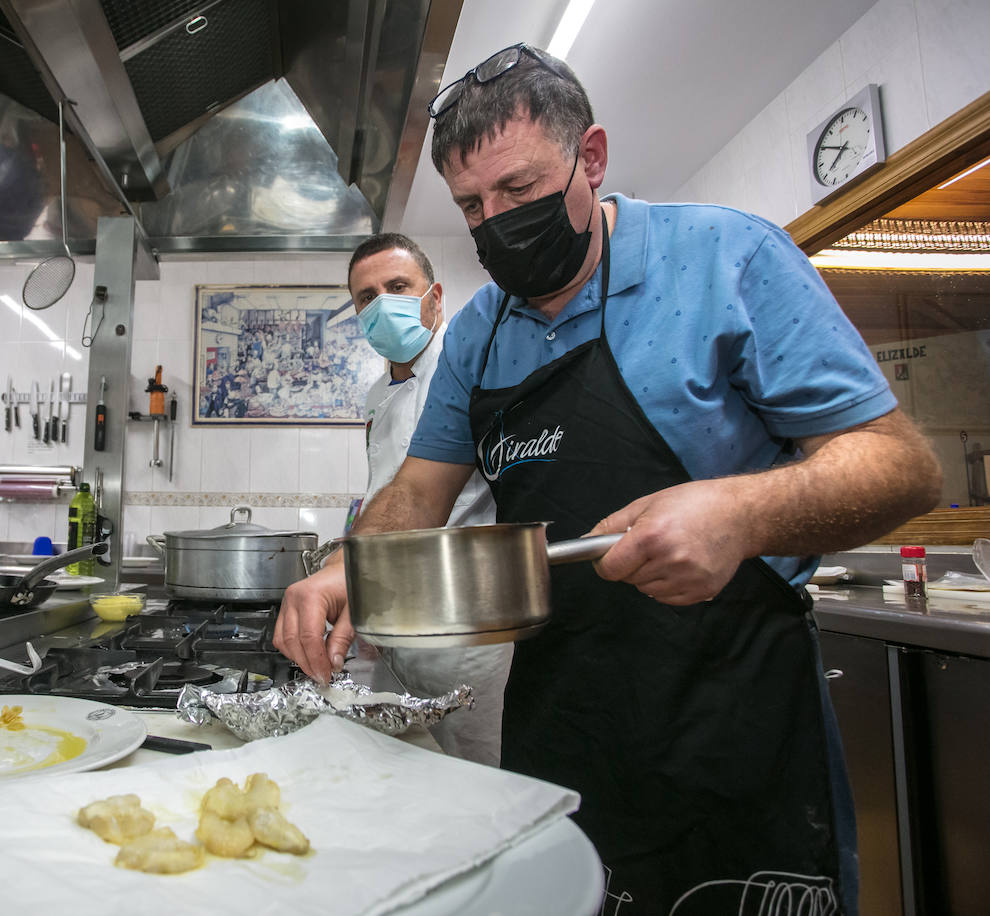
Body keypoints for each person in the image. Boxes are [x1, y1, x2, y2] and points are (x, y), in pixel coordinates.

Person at [274, 44, 941, 913]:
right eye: (472, 206)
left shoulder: (724, 260)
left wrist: (740, 511)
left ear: (590, 157)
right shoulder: (480, 332)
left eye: (518, 191)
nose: (496, 221)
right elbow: (416, 494)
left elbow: (901, 465)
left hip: (729, 710)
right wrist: (346, 568)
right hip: (562, 711)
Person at [348, 232, 511, 767]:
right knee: (397, 769)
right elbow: (386, 489)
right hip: (396, 627)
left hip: (466, 631)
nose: (382, 305)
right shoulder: (377, 395)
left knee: (477, 779)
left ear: (435, 297)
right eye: (367, 297)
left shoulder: (471, 370)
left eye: (398, 287)